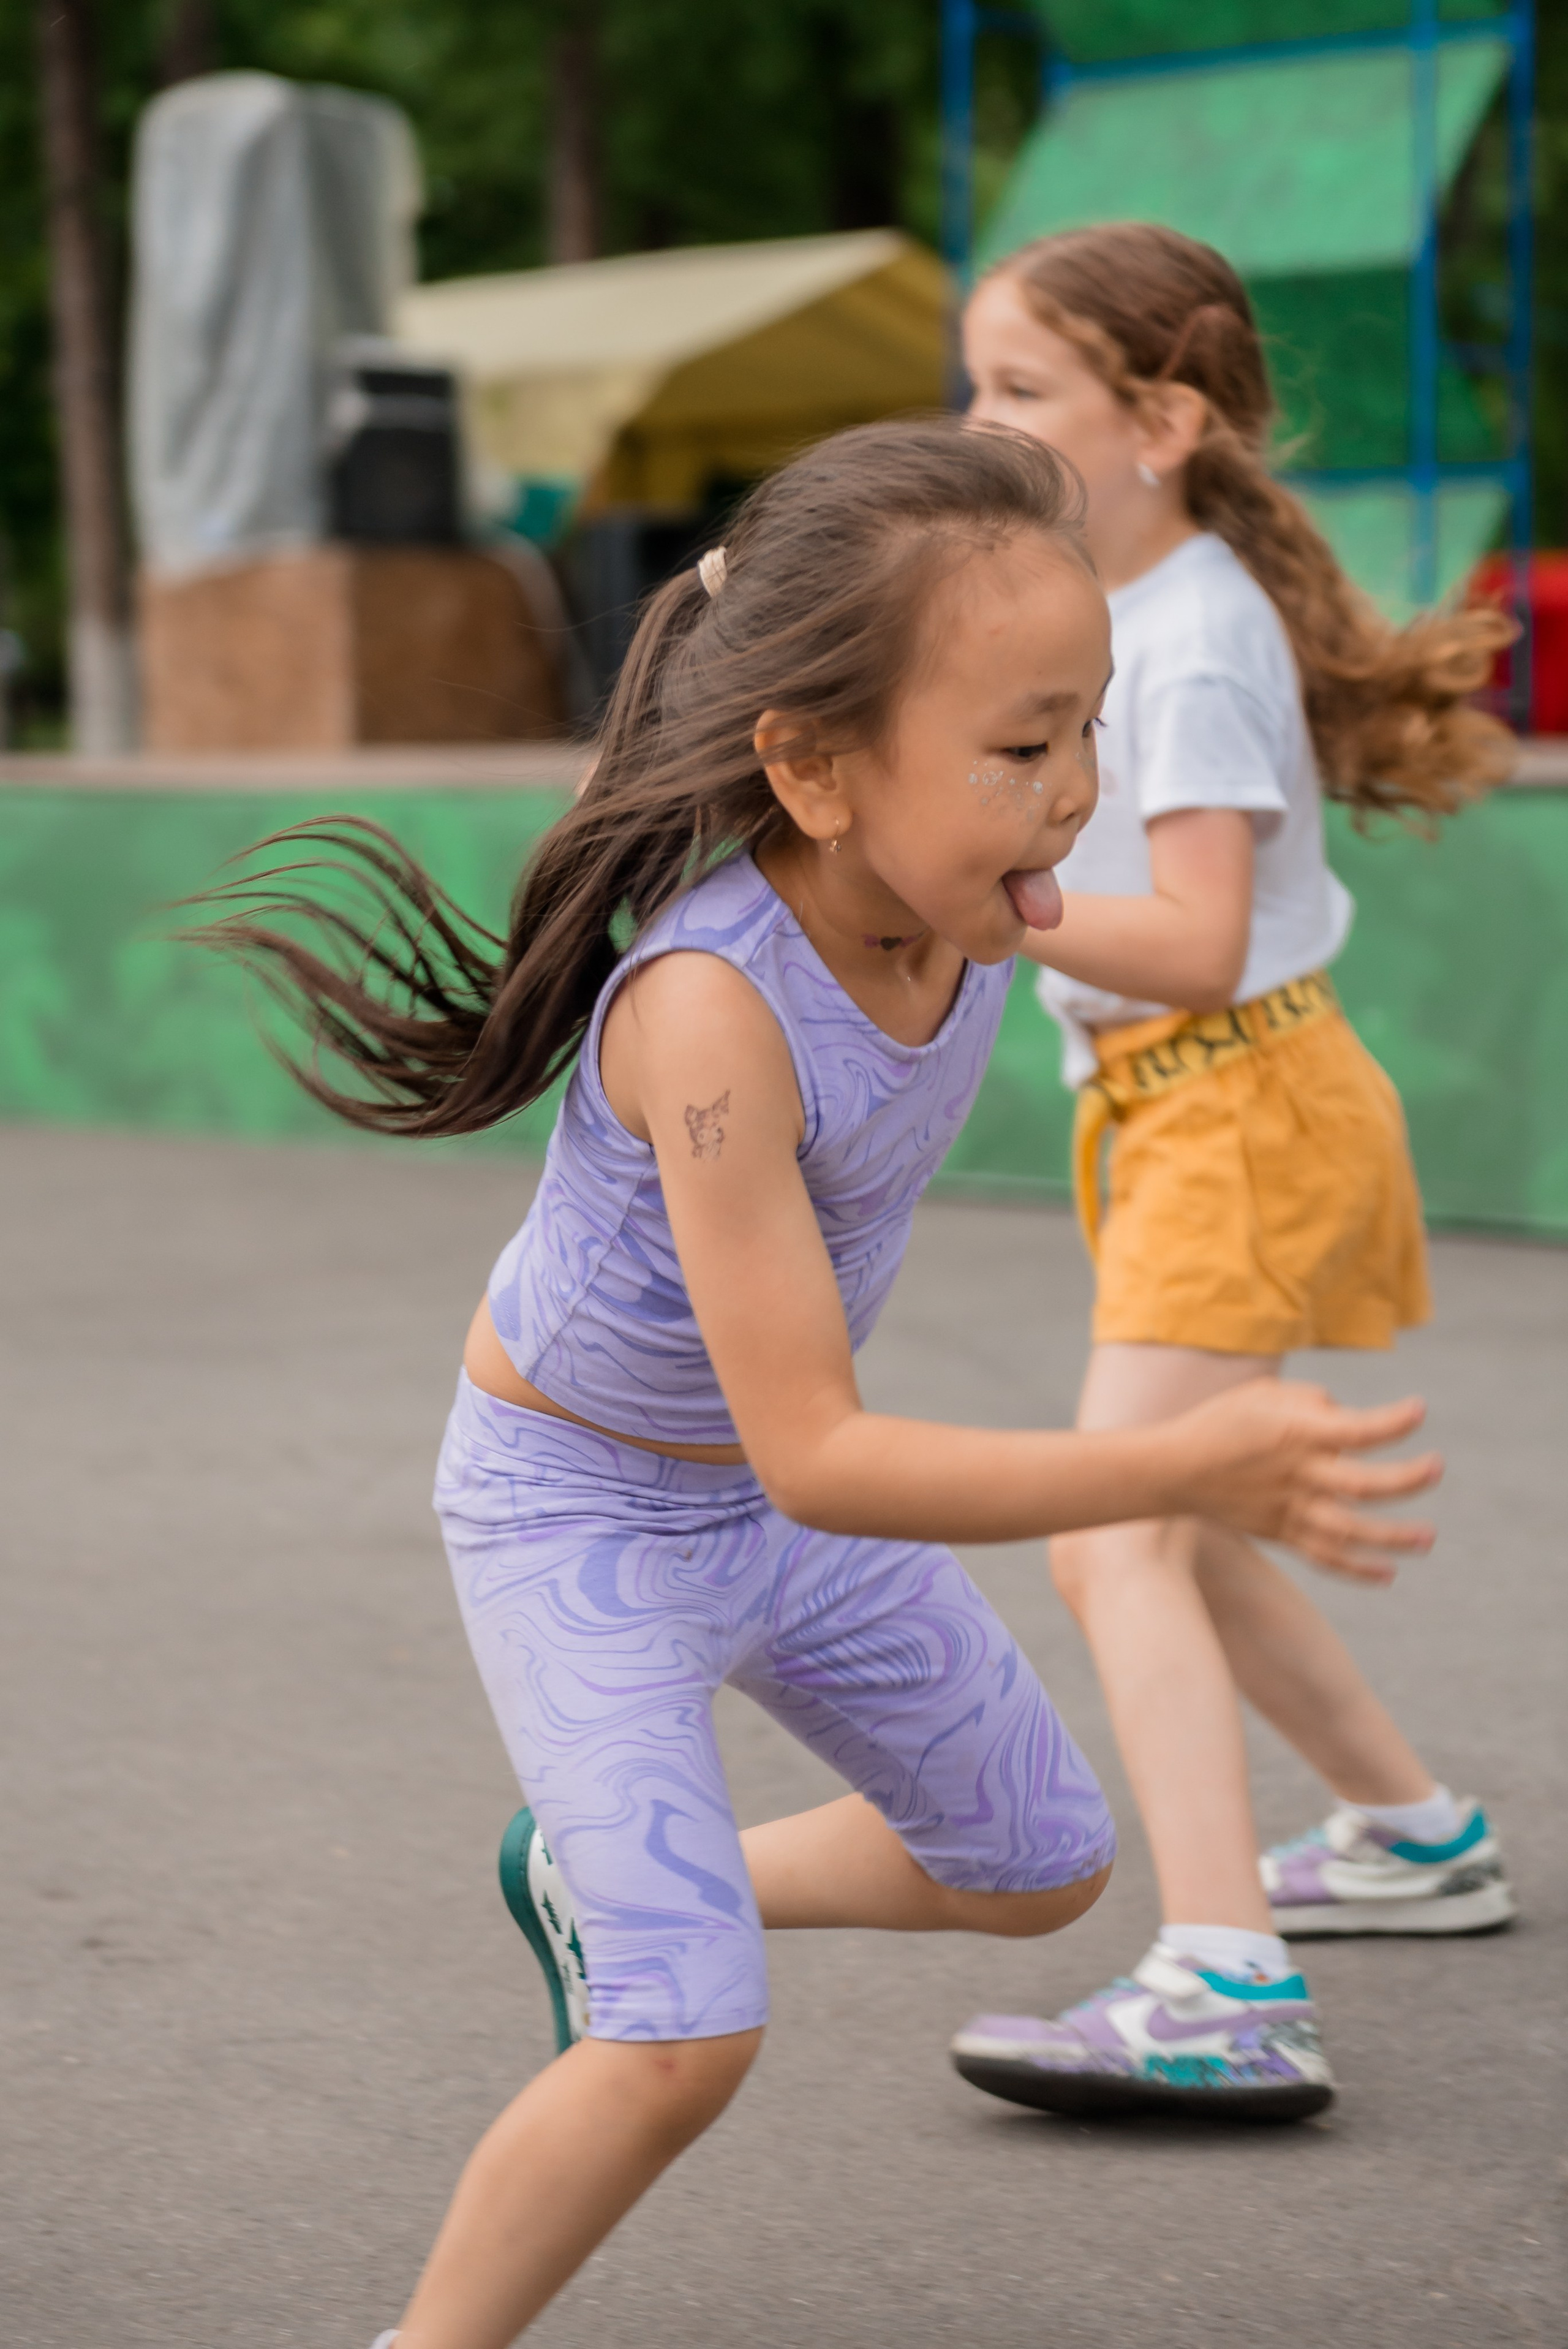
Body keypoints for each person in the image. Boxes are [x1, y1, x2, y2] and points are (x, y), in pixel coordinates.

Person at [199, 420, 1438, 2348]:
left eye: (1090, 728)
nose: (1075, 795)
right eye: (1023, 749)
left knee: (1039, 1861)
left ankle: (613, 1882)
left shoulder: (977, 921)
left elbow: (1197, 948)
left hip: (762, 1499)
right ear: (810, 765)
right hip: (587, 1504)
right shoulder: (710, 1007)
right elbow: (825, 1448)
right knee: (683, 2041)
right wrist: (1178, 1458)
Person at [952, 224, 1515, 2123]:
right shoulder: (1150, 610)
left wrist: (986, 904)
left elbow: (1191, 940)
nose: (982, 421)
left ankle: (1225, 1985)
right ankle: (1413, 1831)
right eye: (979, 383)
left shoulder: (1189, 639)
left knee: (1111, 1529)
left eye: (1023, 388)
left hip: (1234, 1103)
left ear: (1165, 419)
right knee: (1185, 1515)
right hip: (1211, 1109)